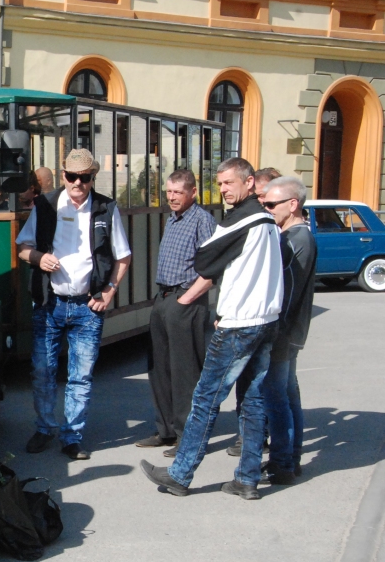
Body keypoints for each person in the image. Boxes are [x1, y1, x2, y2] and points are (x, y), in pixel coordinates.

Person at [141, 158, 283, 500]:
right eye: (219, 184)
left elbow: (203, 261)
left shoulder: (240, 220)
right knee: (250, 400)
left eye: (229, 183)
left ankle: (180, 474)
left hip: (240, 323)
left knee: (205, 397)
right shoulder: (266, 219)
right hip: (265, 320)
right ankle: (247, 479)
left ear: (249, 183)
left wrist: (189, 300)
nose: (222, 190)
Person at [16, 148, 132, 460]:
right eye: (72, 176)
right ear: (64, 175)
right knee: (43, 371)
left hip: (87, 305)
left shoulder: (106, 208)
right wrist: (39, 258)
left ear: (93, 177)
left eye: (85, 177)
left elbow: (124, 256)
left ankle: (72, 436)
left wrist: (108, 291)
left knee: (80, 376)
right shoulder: (46, 204)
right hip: (49, 302)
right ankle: (44, 429)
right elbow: (22, 249)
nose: (78, 183)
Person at [137, 169, 217, 456]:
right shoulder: (173, 218)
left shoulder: (202, 221)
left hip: (185, 299)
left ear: (193, 192)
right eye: (168, 192)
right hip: (164, 296)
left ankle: (189, 436)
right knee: (159, 367)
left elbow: (212, 267)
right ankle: (166, 430)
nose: (171, 197)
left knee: (185, 371)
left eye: (177, 193)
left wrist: (187, 299)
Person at [259, 176, 318, 485]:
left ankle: (283, 462)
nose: (267, 209)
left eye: (271, 204)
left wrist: (269, 329)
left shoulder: (296, 239)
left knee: (276, 398)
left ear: (292, 205)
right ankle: (290, 459)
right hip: (289, 332)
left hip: (283, 333)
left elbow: (286, 293)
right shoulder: (294, 236)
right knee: (287, 395)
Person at [224, 164, 284, 455]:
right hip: (251, 318)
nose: (263, 205)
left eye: (268, 200)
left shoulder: (280, 233)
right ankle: (251, 443)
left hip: (263, 322)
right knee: (249, 388)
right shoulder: (261, 226)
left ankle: (277, 451)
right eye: (261, 199)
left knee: (267, 390)